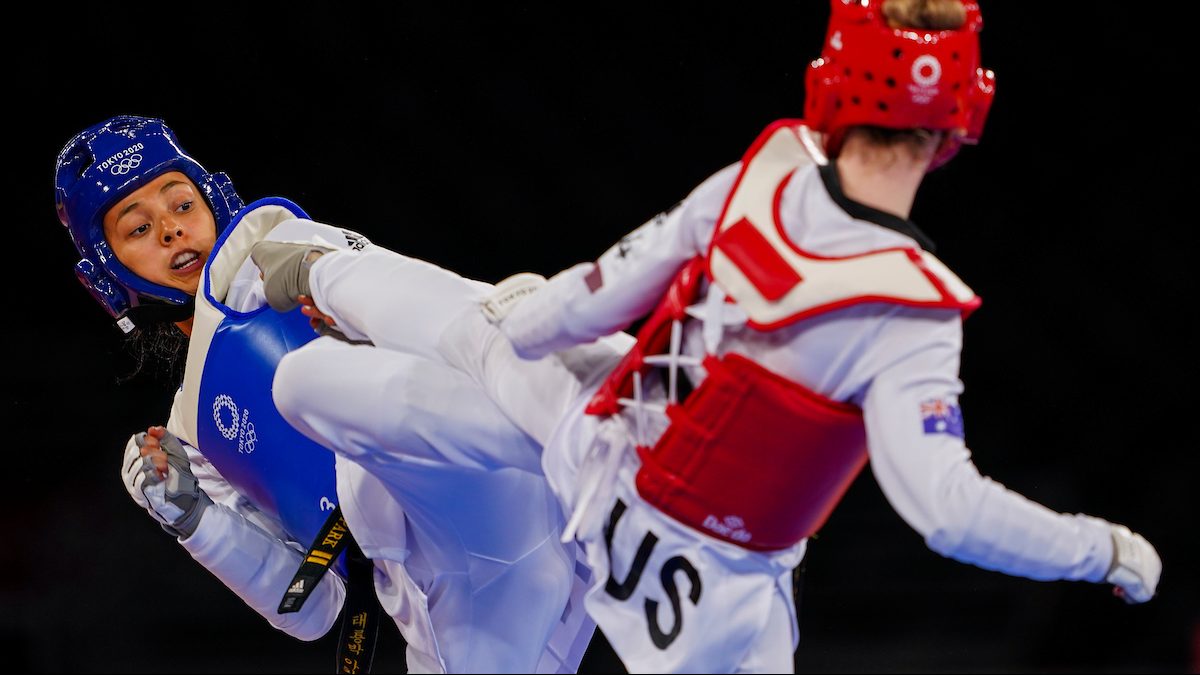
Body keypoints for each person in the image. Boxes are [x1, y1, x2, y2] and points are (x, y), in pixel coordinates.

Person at [250, 1, 1163, 672]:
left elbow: (587, 300)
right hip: (711, 581)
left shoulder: (763, 171)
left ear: (833, 77)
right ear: (961, 119)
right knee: (495, 334)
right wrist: (1105, 549)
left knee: (493, 324)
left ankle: (317, 267)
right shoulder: (909, 313)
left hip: (593, 446)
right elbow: (951, 512)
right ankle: (332, 281)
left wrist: (512, 326)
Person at [54, 115, 597, 674]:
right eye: (138, 229)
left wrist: (325, 272)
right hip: (449, 594)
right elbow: (314, 608)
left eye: (181, 205)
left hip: (502, 468)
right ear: (107, 271)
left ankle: (585, 377)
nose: (171, 230)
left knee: (314, 377)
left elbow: (427, 318)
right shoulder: (191, 436)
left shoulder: (276, 250)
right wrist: (197, 523)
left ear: (213, 199)